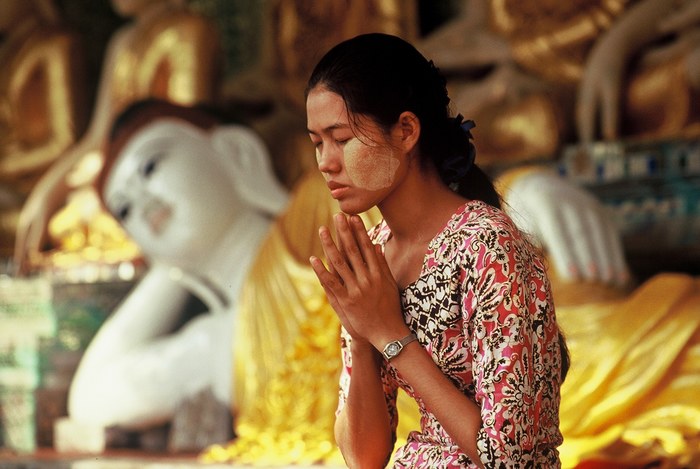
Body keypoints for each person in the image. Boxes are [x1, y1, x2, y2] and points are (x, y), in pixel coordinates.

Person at [305, 33, 567, 468]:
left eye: (343, 139)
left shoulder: (489, 248)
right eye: (318, 142)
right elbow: (362, 457)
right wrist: (359, 330)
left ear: (406, 131)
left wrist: (389, 334)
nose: (325, 163)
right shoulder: (375, 256)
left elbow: (509, 460)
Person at [63, 98, 289, 448]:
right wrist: (168, 265)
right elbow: (91, 399)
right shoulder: (222, 338)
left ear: (235, 151)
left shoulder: (317, 237)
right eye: (124, 209)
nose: (142, 202)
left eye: (151, 167)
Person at [14, 0, 222, 274]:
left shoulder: (189, 31)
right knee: (65, 219)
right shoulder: (123, 41)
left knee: (96, 215)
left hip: (165, 175)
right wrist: (45, 194)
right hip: (119, 179)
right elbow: (98, 138)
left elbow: (187, 130)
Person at [0, 0, 87, 259]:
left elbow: (64, 143)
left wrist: (4, 166)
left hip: (46, 186)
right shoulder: (11, 53)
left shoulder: (56, 44)